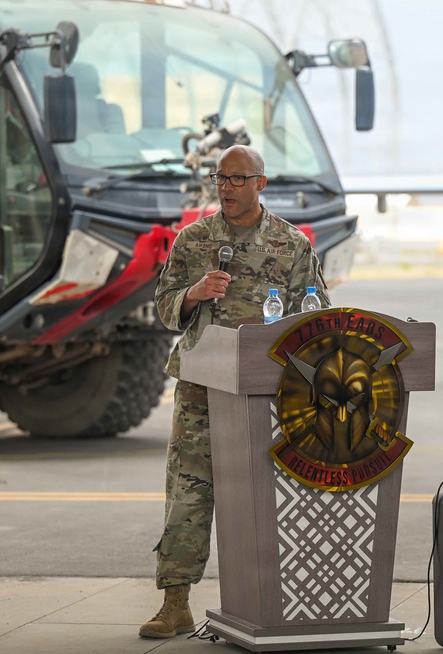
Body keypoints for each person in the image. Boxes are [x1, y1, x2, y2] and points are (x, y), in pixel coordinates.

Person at [139, 144, 330, 638]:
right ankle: (174, 602)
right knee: (188, 490)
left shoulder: (291, 245)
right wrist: (193, 294)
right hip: (202, 385)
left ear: (261, 184)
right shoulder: (194, 239)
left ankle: (275, 602)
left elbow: (316, 315)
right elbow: (163, 307)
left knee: (266, 498)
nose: (226, 187)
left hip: (267, 391)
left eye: (237, 179)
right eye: (220, 178)